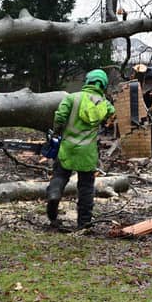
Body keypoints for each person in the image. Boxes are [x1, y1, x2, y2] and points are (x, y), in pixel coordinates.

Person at [46, 69, 116, 228]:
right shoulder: (105, 104)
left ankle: (54, 195)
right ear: (103, 85)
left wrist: (56, 131)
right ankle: (84, 222)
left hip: (67, 148)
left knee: (60, 176)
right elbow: (112, 114)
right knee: (86, 187)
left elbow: (60, 117)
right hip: (88, 153)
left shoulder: (71, 98)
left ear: (87, 81)